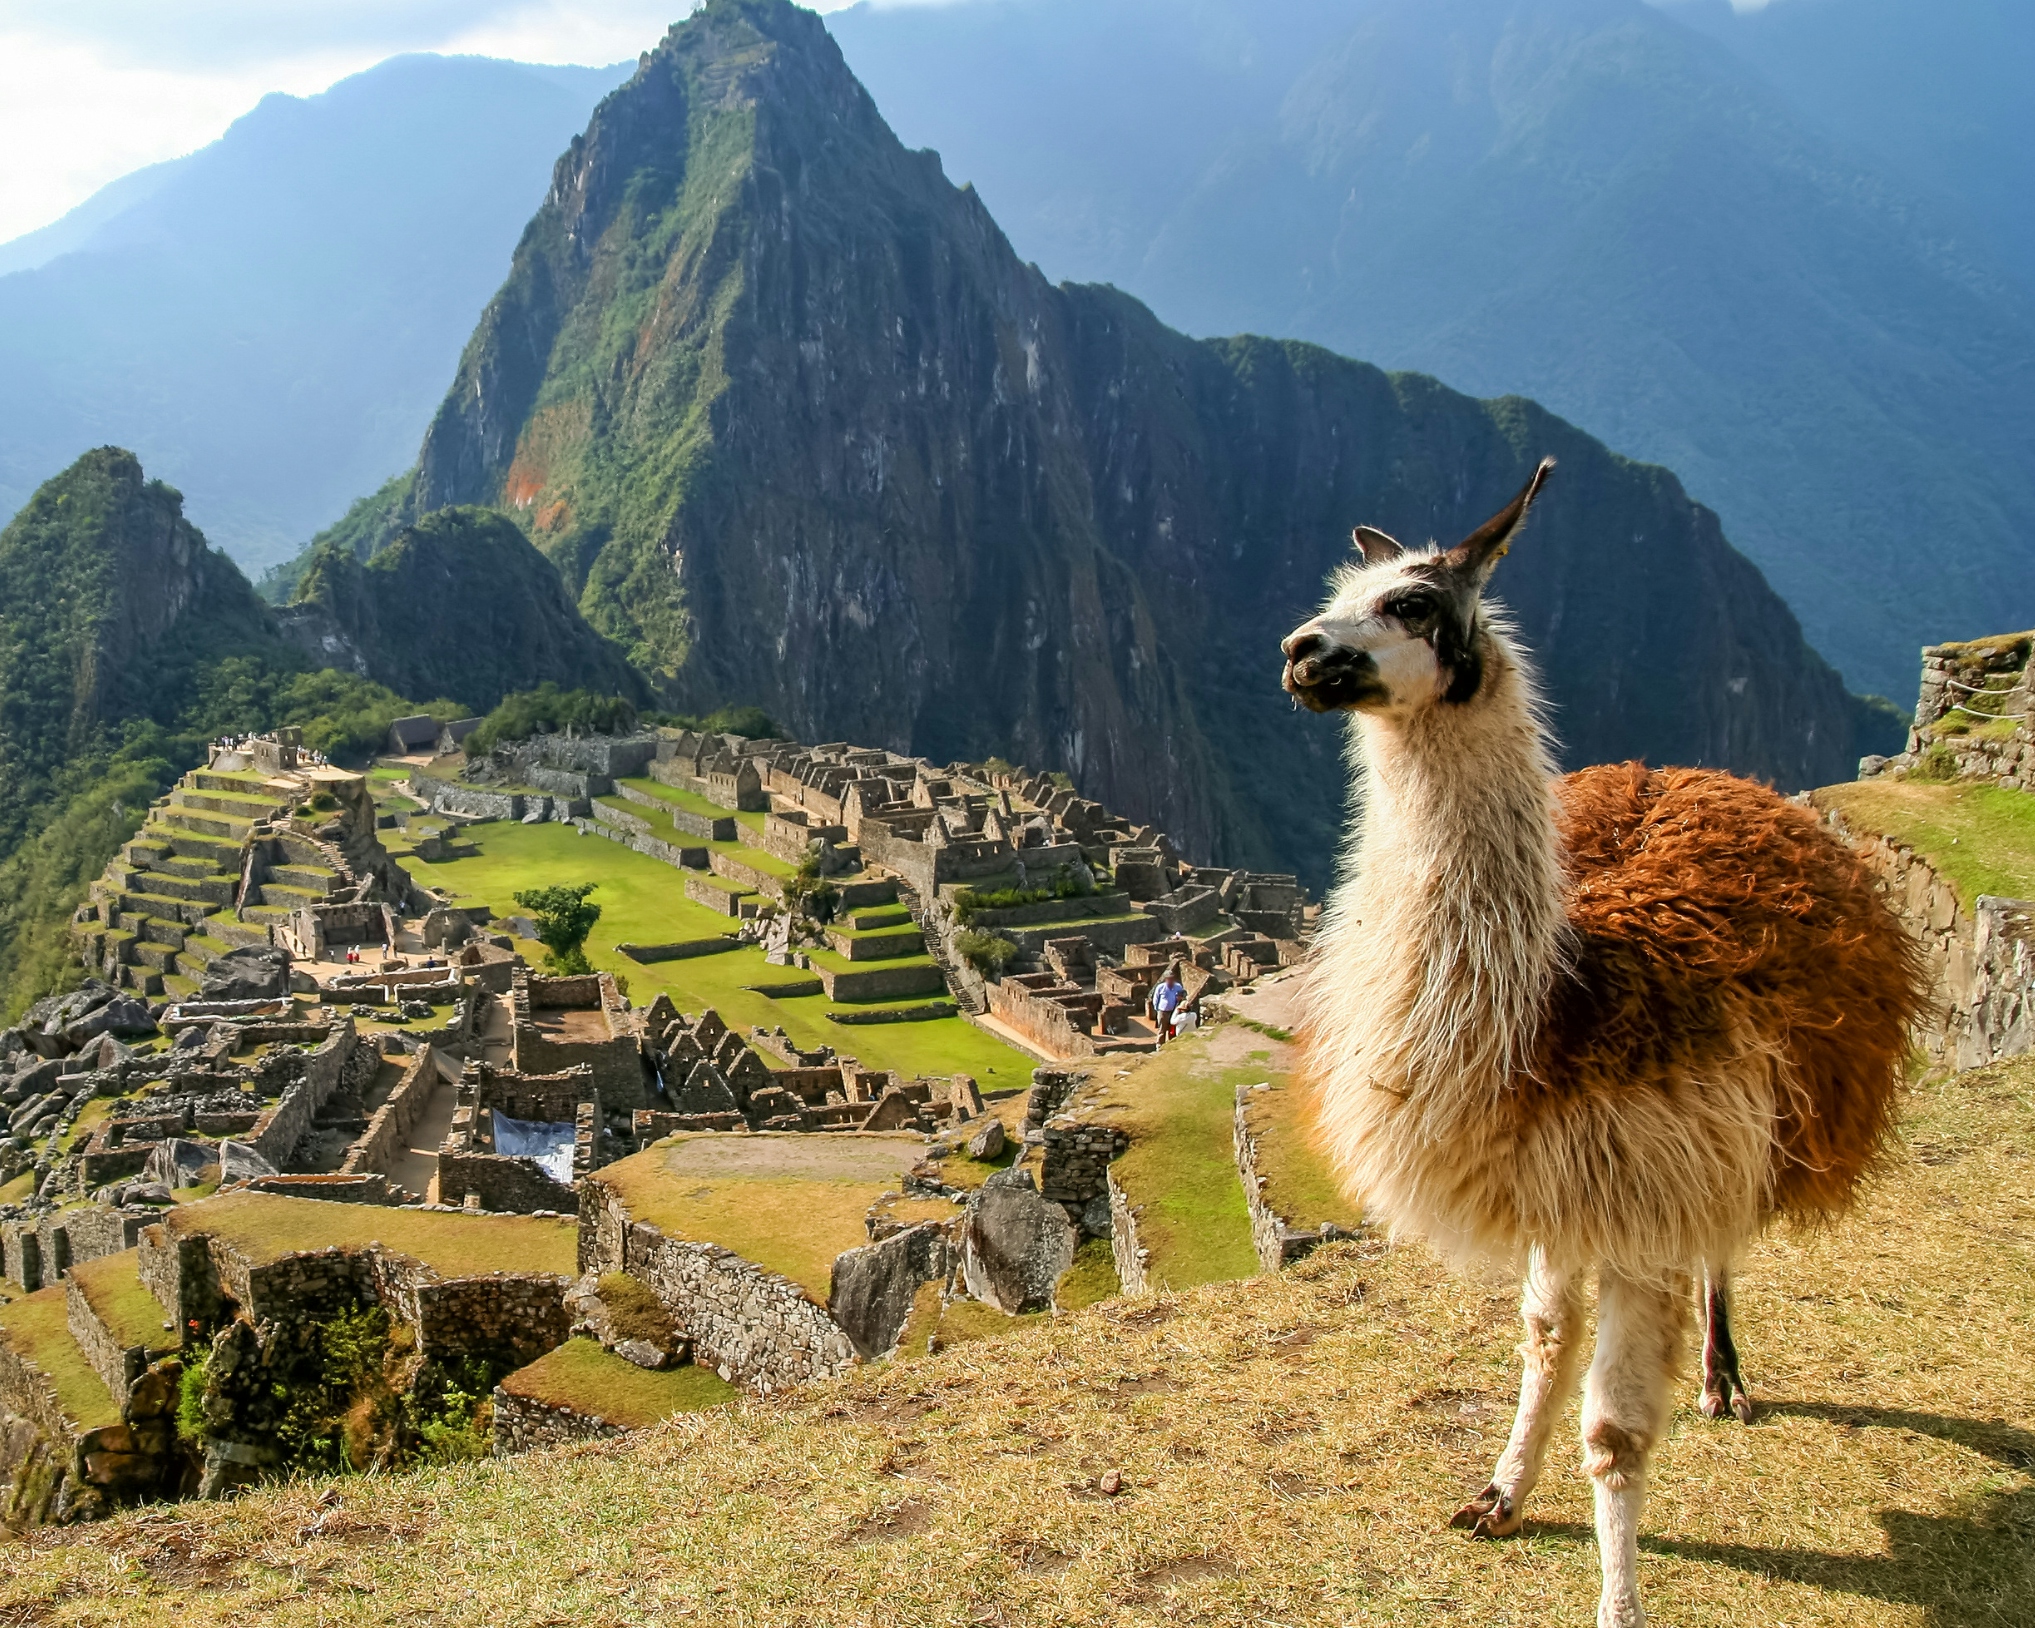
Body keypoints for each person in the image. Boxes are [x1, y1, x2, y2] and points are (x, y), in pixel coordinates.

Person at [1149, 962, 1187, 1045]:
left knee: (1172, 1029)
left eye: (1172, 978)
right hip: (1163, 1012)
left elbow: (1183, 996)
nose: (1171, 980)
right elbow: (1155, 999)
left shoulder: (1178, 986)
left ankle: (1171, 1045)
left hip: (1174, 1011)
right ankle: (1159, 1045)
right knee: (1162, 1030)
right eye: (1169, 979)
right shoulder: (1160, 987)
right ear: (1166, 979)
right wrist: (1158, 1009)